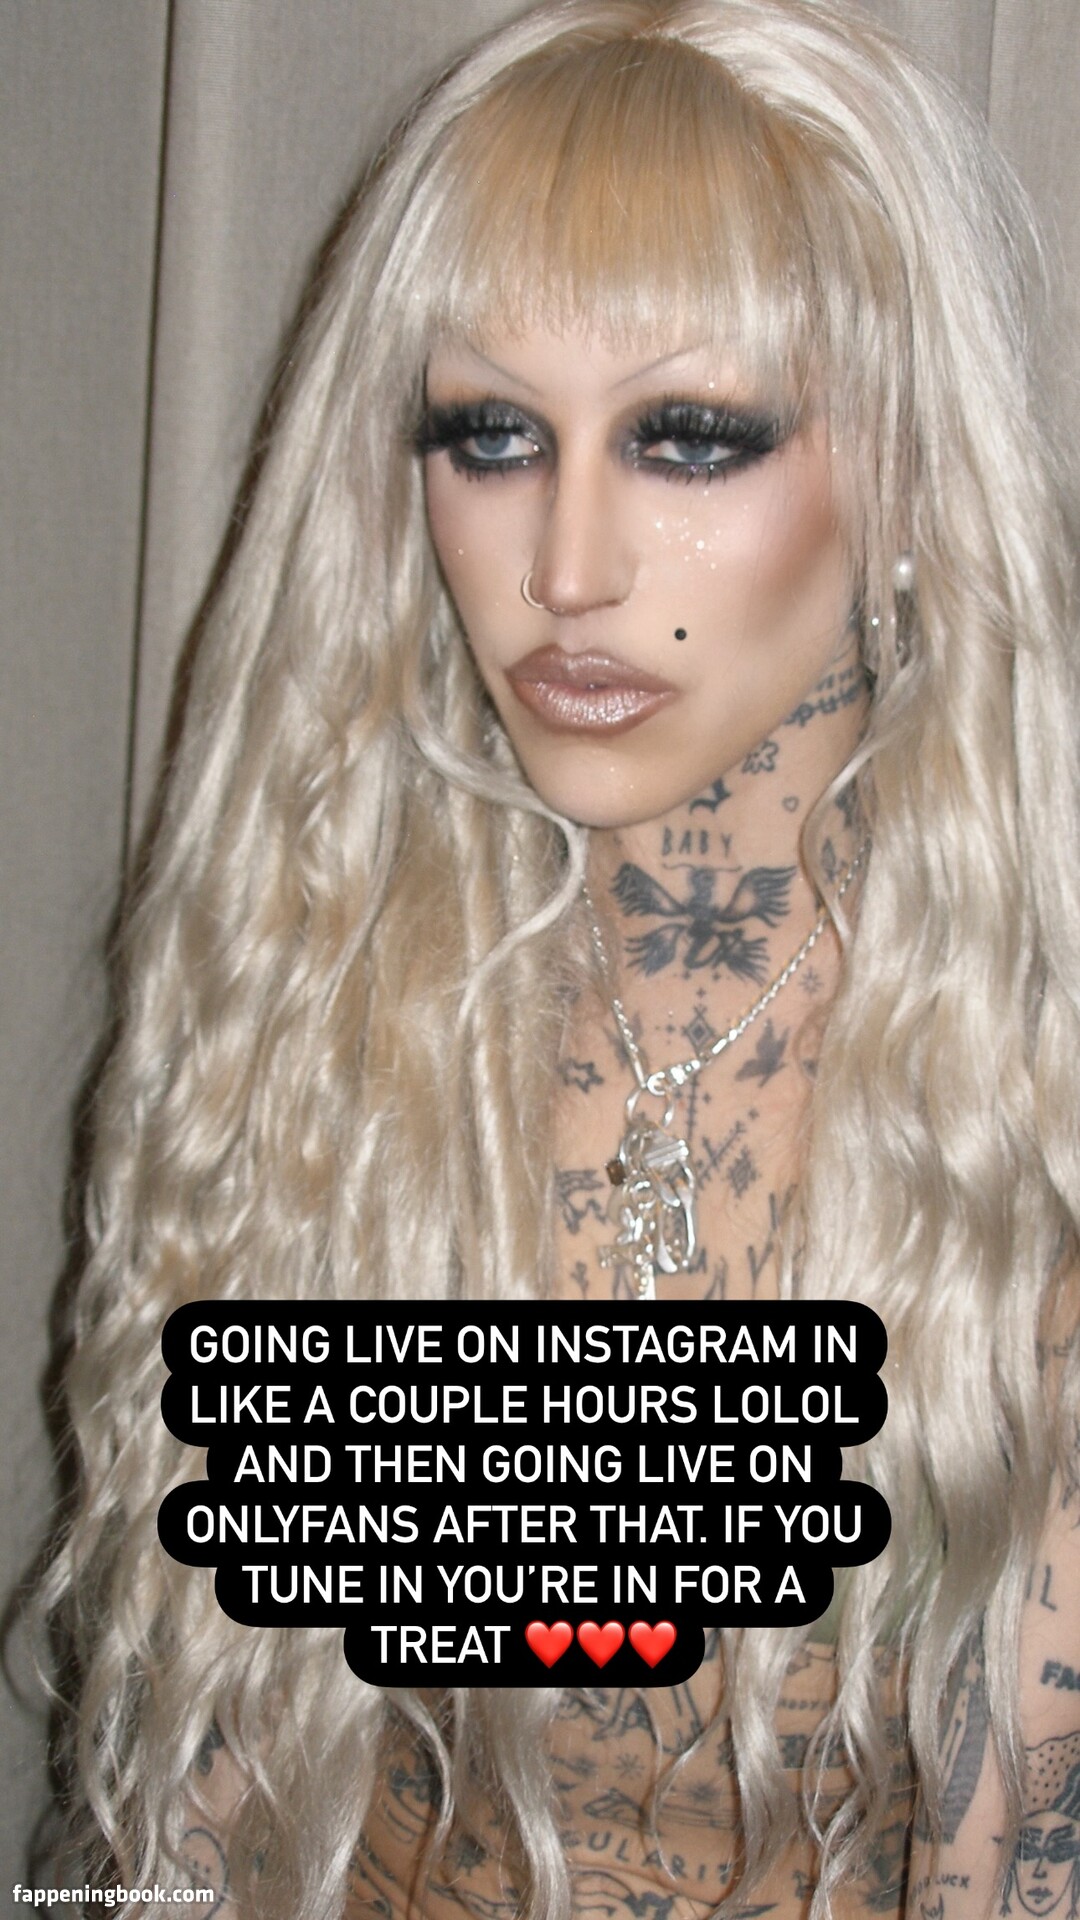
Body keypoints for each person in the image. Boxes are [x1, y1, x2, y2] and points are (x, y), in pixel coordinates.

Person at [44, 1, 1080, 1916]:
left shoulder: (1023, 1125)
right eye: (492, 434)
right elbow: (198, 1790)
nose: (567, 566)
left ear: (914, 475)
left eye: (691, 437)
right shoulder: (327, 1021)